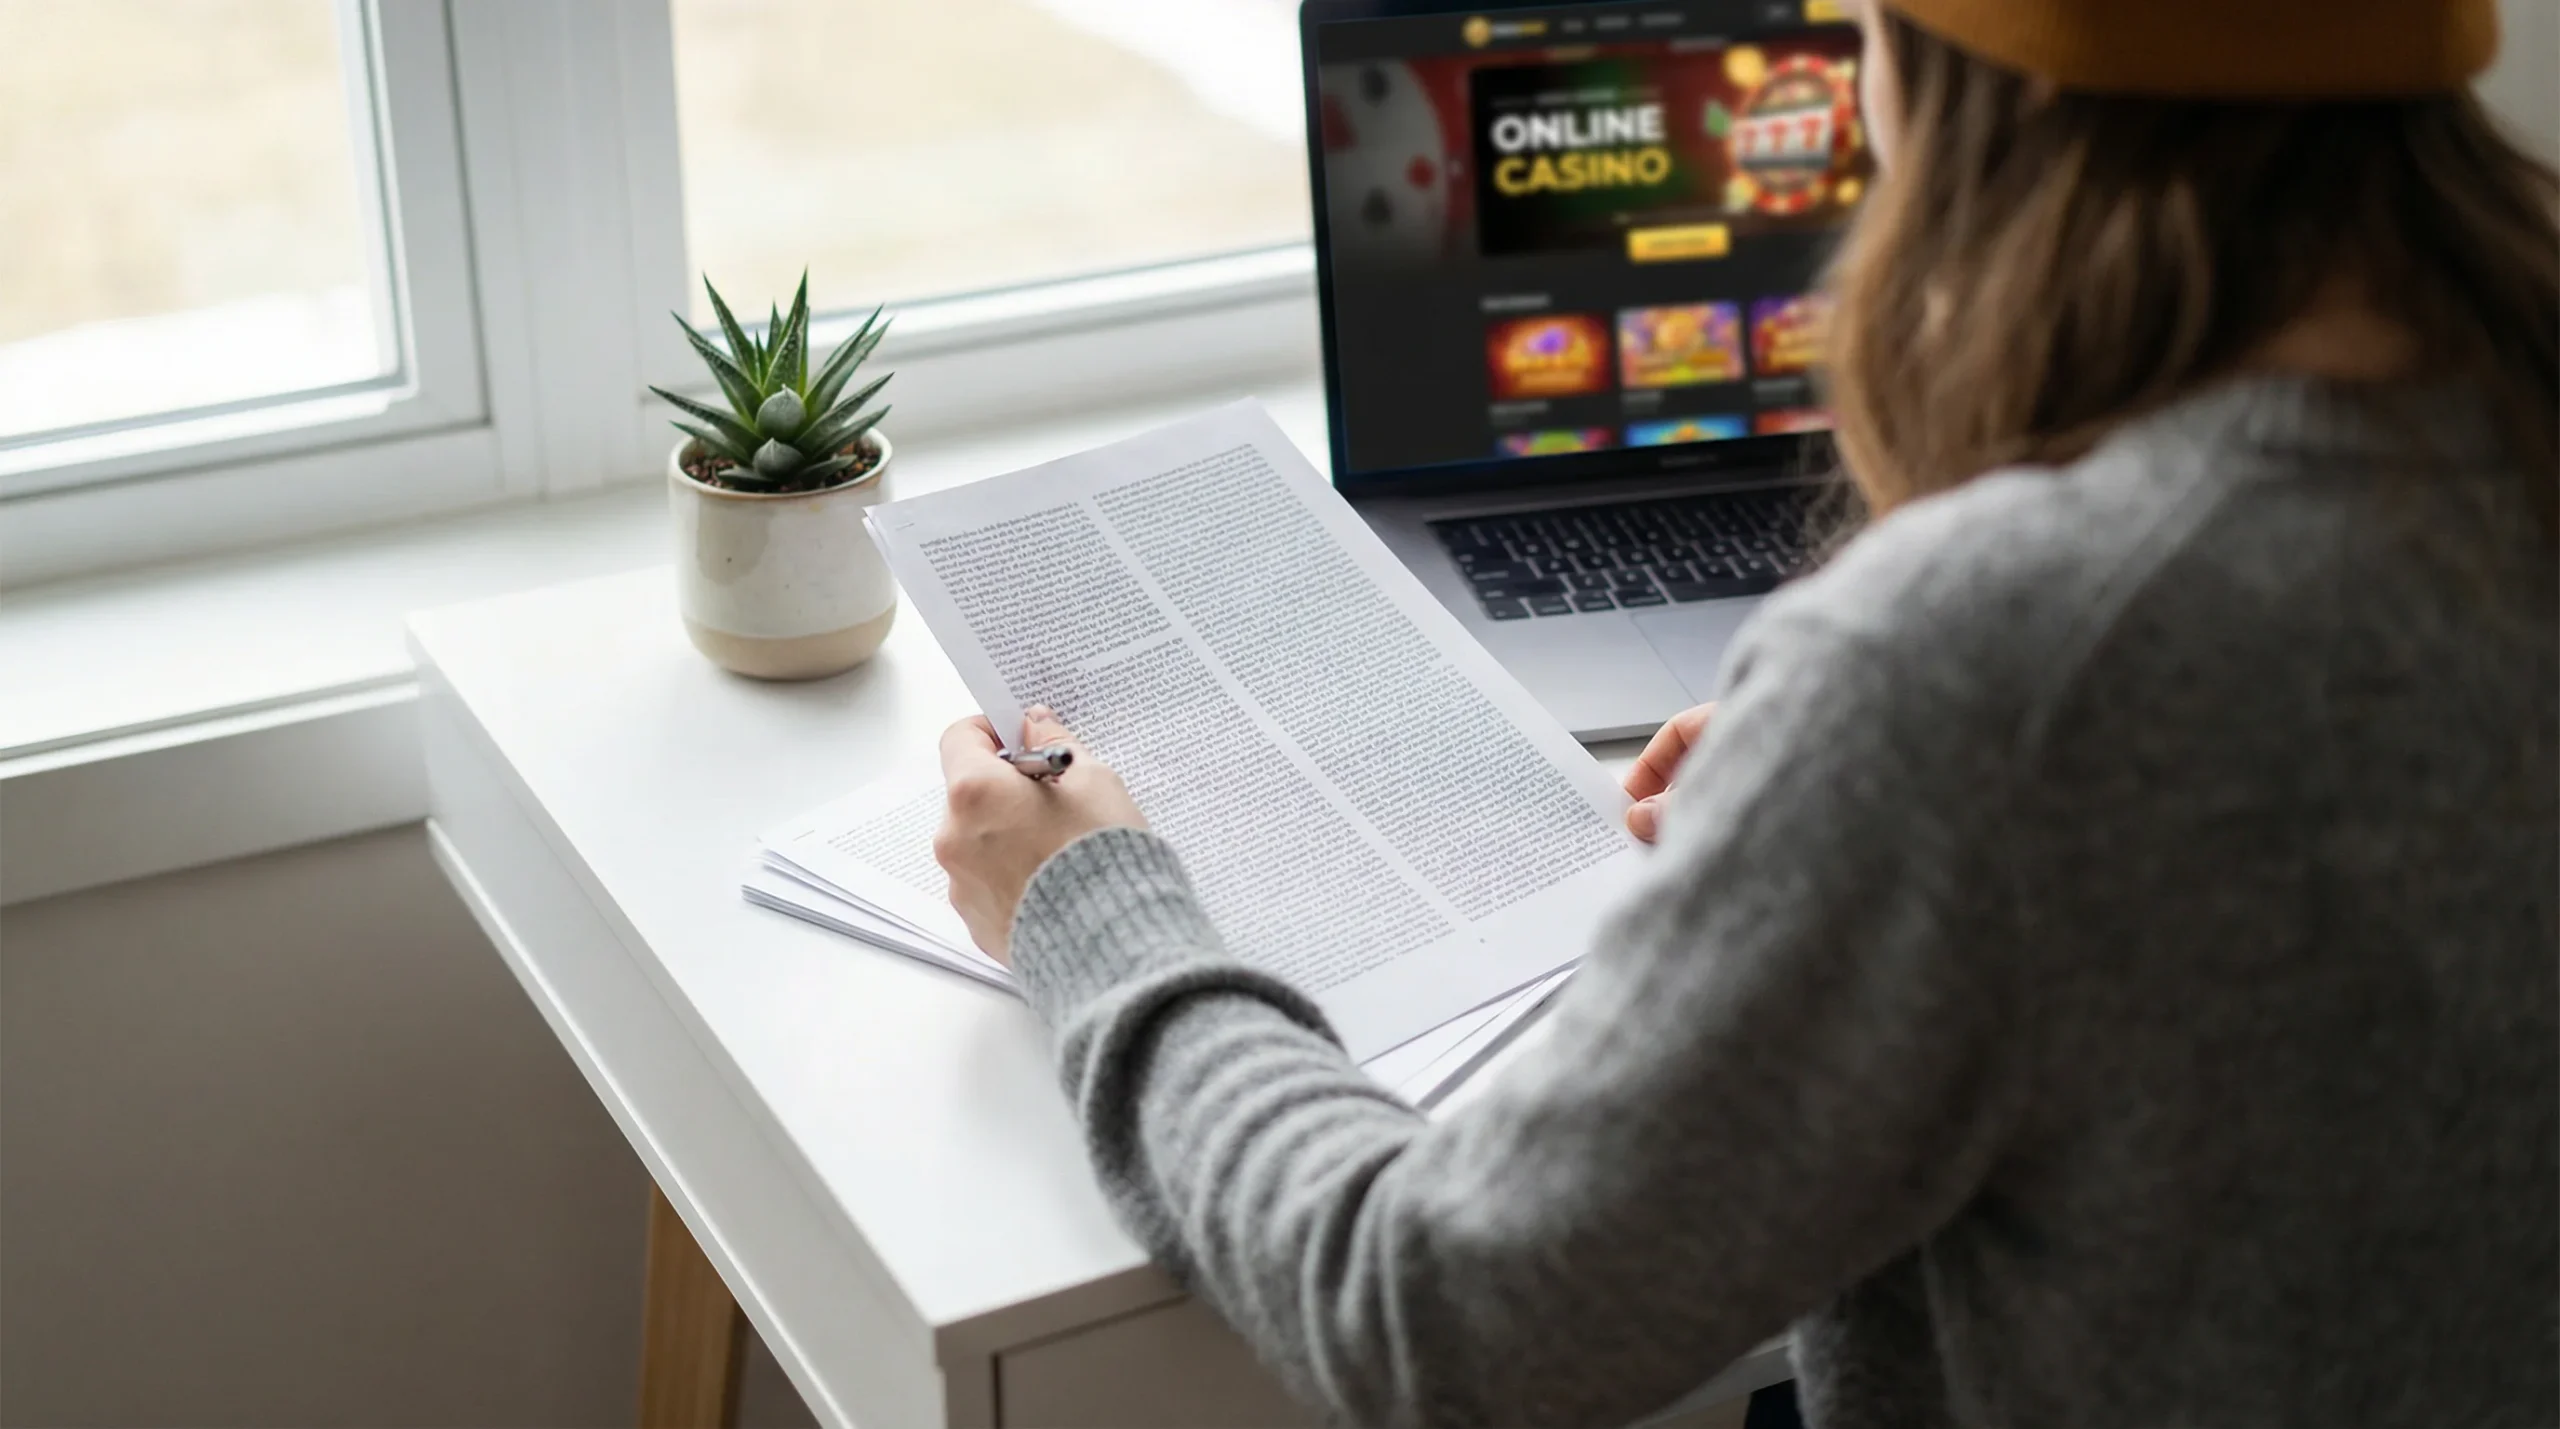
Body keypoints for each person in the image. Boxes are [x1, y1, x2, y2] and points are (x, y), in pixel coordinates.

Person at [929, 0, 2560, 1422]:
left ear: (1981, 93)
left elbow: (1440, 1319)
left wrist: (1094, 913)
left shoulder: (1985, 670)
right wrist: (1851, 800)